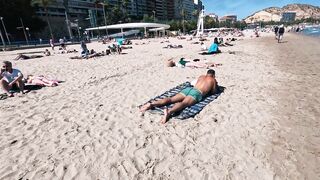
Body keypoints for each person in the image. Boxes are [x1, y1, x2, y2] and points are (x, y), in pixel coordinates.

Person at [140, 69, 218, 124]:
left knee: (171, 99)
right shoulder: (212, 80)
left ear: (206, 73)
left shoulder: (201, 76)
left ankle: (152, 104)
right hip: (197, 93)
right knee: (184, 103)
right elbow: (214, 91)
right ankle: (169, 112)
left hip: (189, 89)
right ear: (213, 75)